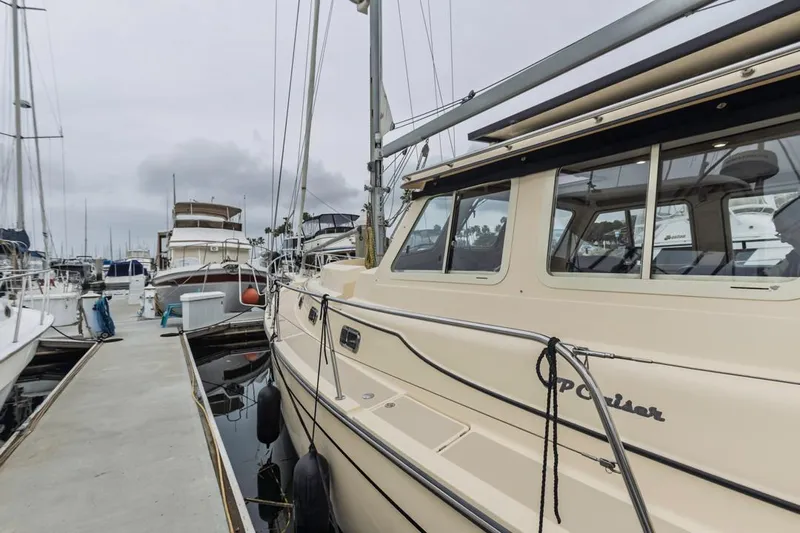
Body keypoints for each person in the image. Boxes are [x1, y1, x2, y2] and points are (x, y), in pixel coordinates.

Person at [765, 195, 800, 277]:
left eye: (785, 232)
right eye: (780, 234)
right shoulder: (794, 256)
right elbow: (774, 272)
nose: (783, 240)